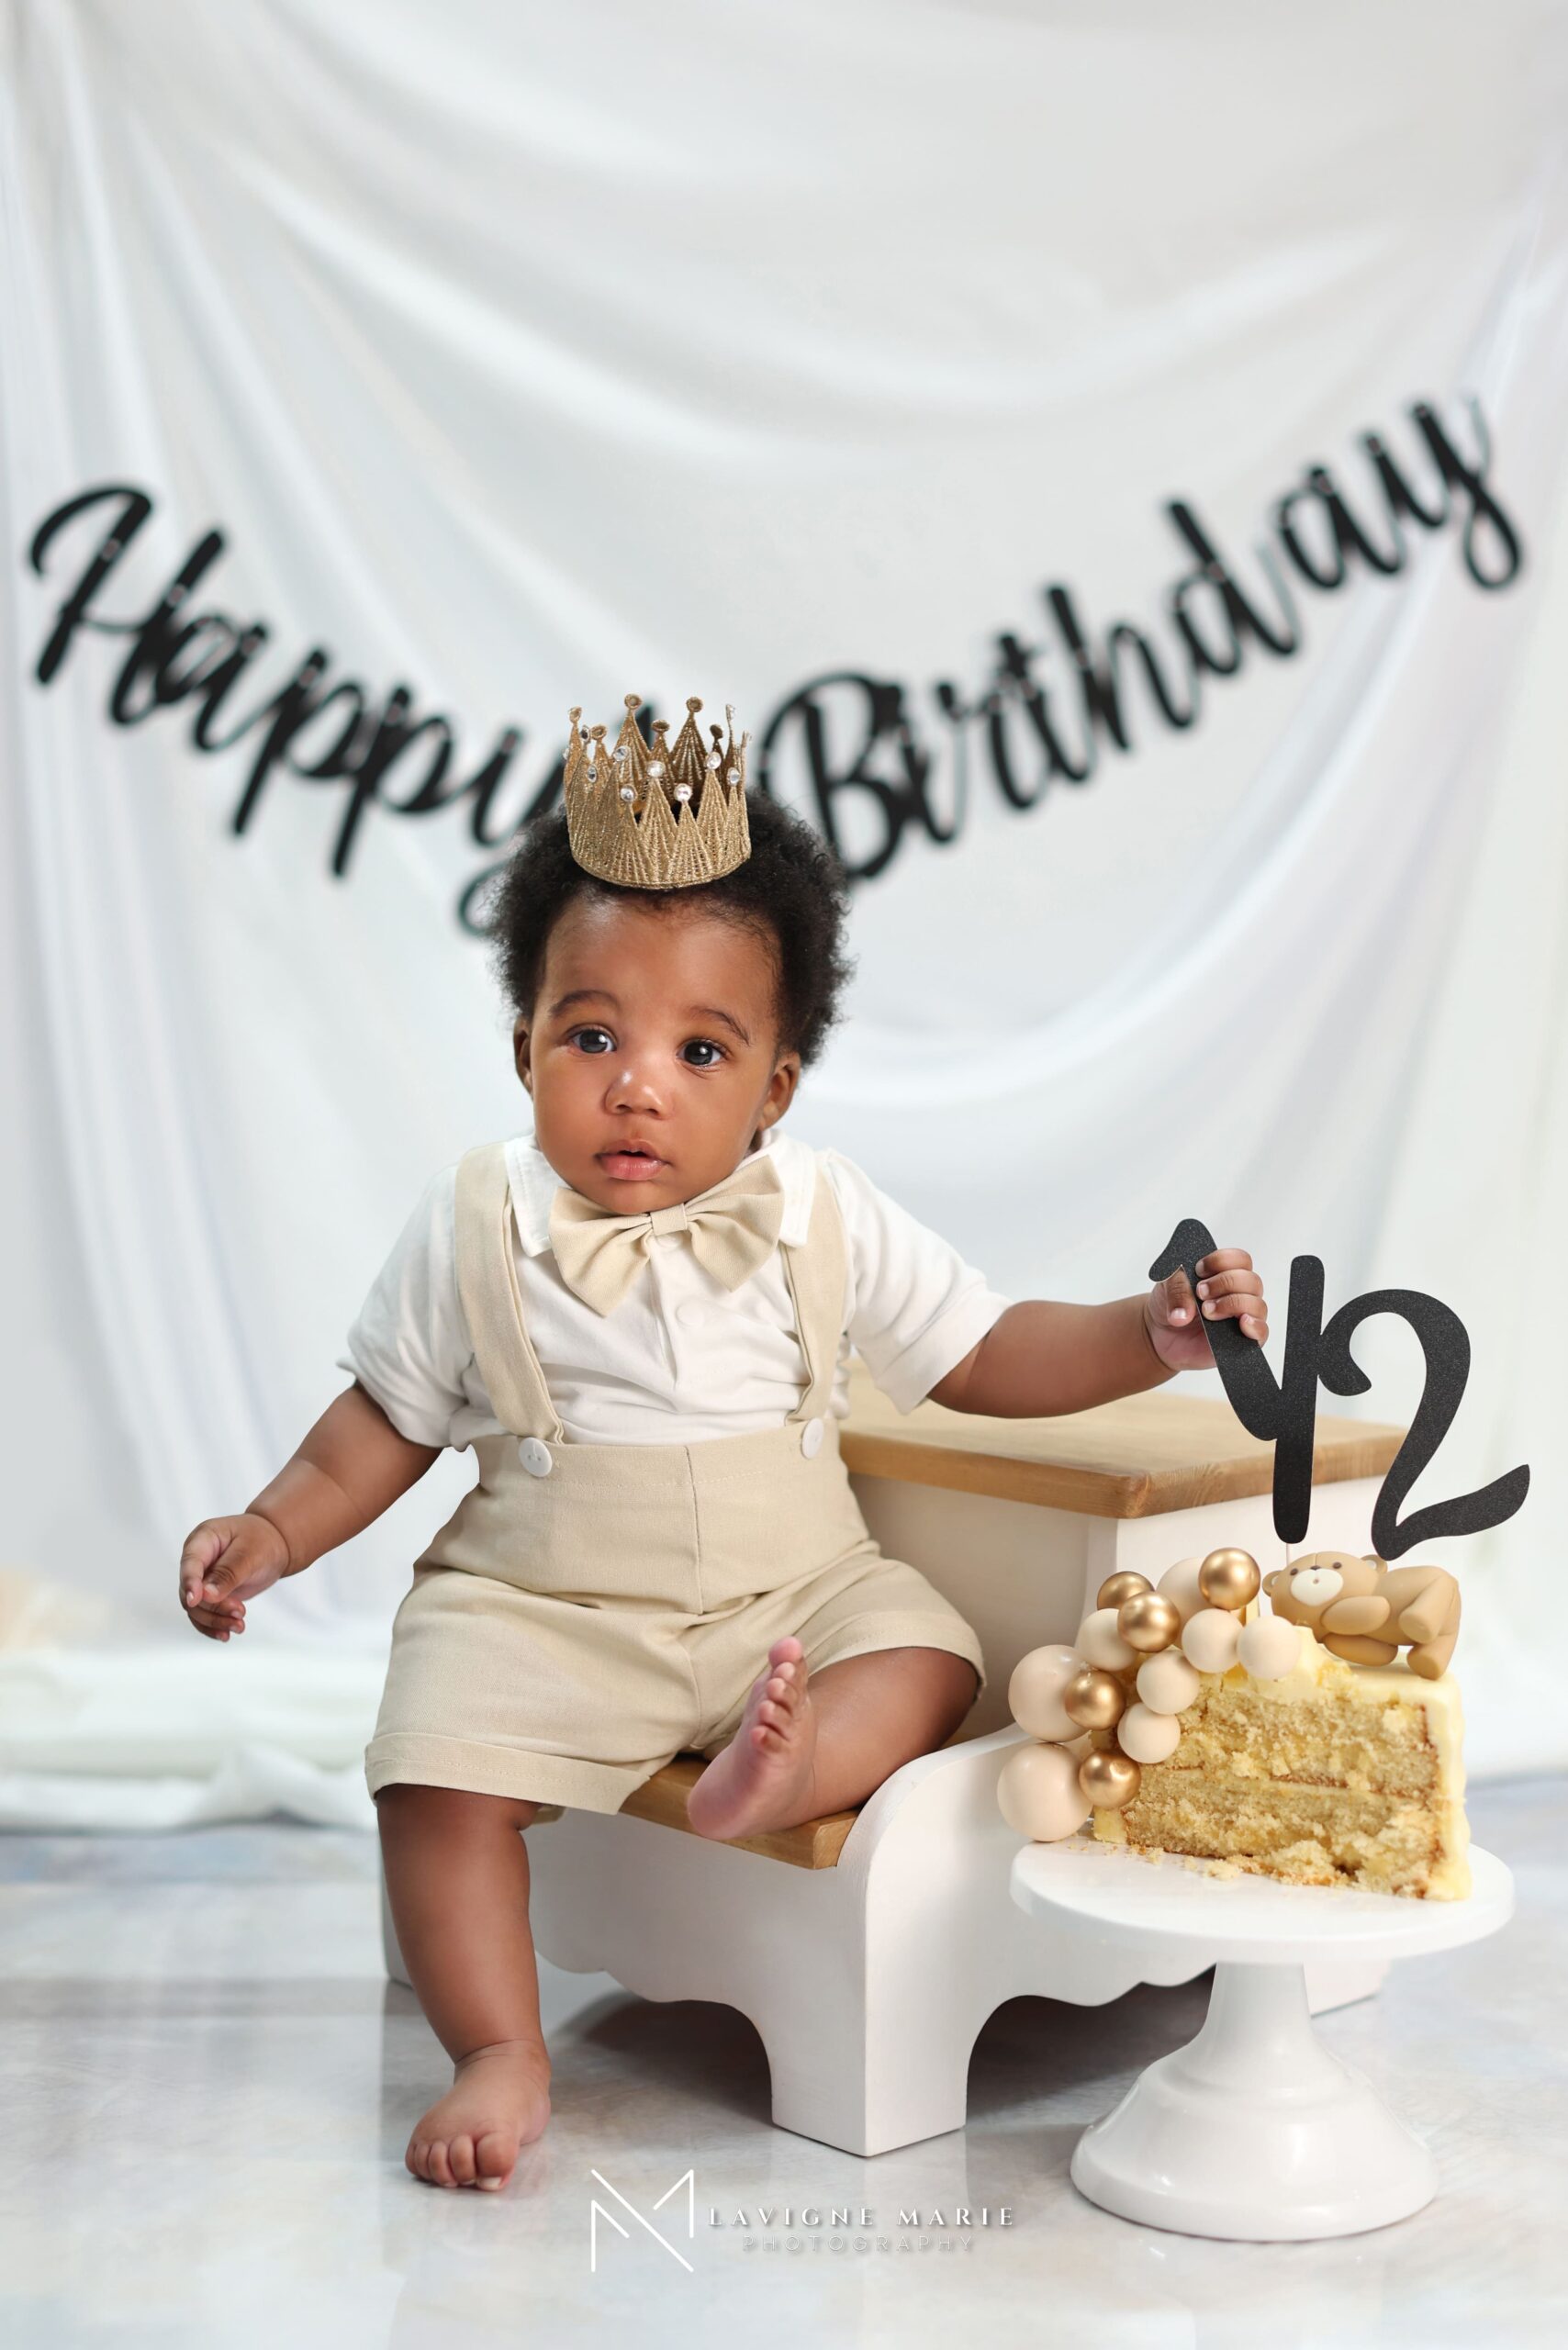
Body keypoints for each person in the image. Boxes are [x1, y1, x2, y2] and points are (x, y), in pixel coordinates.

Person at [177, 694, 1270, 2196]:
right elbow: (383, 1420)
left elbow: (981, 1353)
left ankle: (790, 1765)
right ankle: (499, 2044)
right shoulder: (477, 1220)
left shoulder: (819, 1206)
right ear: (523, 1048)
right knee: (427, 1770)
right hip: (548, 1607)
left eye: (701, 1049)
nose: (638, 1082)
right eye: (593, 1035)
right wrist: (274, 1527)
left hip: (788, 1598)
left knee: (931, 1656)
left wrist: (1141, 1335)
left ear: (776, 1087)